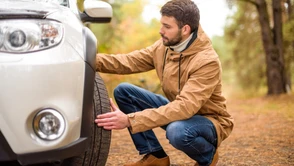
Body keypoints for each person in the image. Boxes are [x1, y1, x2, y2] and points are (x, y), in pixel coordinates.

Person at [95, 0, 234, 165]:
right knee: (124, 91)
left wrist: (130, 120)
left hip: (209, 121)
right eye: (162, 25)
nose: (161, 31)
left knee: (177, 132)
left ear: (185, 29)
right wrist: (87, 59)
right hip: (179, 111)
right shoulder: (164, 47)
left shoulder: (206, 61)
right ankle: (155, 156)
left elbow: (185, 107)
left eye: (167, 27)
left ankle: (207, 157)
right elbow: (127, 62)